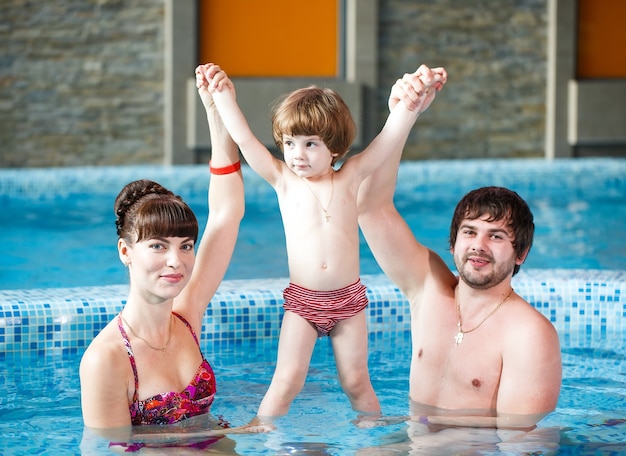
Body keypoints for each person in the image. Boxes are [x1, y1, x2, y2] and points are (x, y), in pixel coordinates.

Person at [196, 63, 447, 420]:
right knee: (286, 381)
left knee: (357, 381)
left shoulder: (351, 176)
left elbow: (387, 140)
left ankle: (371, 436)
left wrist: (411, 101)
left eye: (310, 144)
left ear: (335, 148)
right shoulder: (283, 179)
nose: (297, 154)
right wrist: (222, 96)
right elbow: (245, 139)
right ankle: (262, 433)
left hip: (349, 301)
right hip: (303, 302)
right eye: (289, 143)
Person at [356, 72, 562, 430]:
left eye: (496, 236)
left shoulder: (528, 334)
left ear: (520, 254)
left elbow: (520, 443)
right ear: (454, 241)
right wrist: (402, 115)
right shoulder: (427, 289)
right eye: (470, 232)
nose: (478, 246)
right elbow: (371, 208)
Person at [79, 73, 253, 449]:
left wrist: (216, 111)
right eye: (157, 246)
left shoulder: (187, 317)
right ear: (125, 252)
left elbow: (227, 212)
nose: (176, 261)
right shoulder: (106, 360)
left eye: (186, 245)